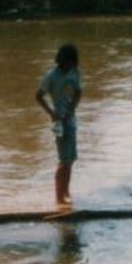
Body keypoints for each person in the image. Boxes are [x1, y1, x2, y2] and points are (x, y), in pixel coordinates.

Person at [36, 43, 83, 209]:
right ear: (61, 60)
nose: (69, 66)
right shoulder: (51, 76)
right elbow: (38, 96)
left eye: (72, 63)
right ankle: (58, 197)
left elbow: (78, 92)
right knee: (63, 161)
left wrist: (71, 109)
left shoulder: (76, 72)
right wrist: (51, 113)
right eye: (67, 63)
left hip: (71, 121)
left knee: (70, 160)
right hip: (58, 123)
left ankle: (66, 193)